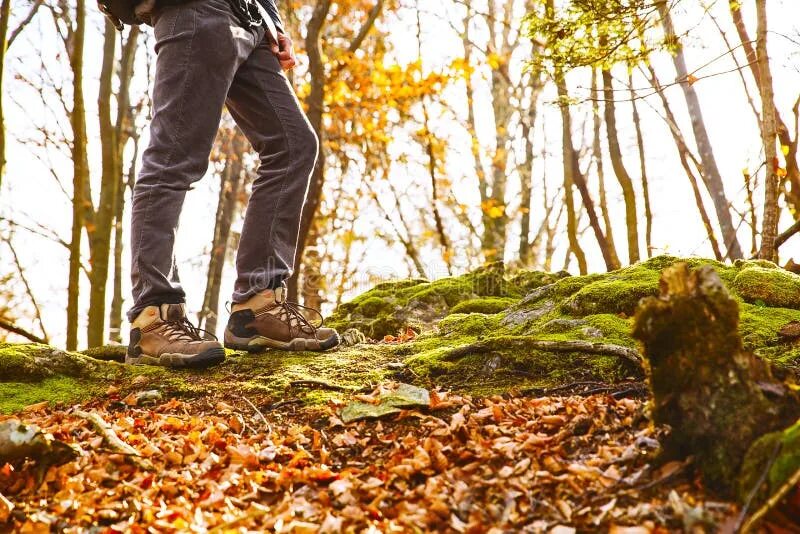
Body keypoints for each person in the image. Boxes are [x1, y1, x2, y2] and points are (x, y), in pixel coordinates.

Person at [123, 0, 340, 369]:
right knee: (174, 156)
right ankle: (153, 317)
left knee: (294, 145)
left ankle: (256, 307)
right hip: (194, 9)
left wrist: (273, 22)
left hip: (249, 17)